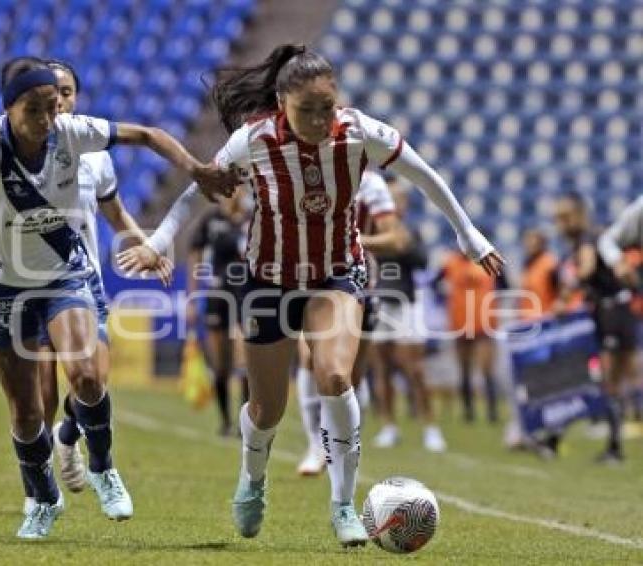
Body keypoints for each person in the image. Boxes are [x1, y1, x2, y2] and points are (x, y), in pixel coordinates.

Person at [122, 44, 502, 547]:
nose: (321, 119)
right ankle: (252, 480)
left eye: (328, 106)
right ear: (282, 103)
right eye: (308, 110)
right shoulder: (253, 140)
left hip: (336, 274)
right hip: (268, 280)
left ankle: (343, 503)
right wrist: (158, 241)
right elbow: (200, 189)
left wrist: (469, 235)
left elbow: (426, 177)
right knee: (267, 409)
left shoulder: (361, 132)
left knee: (336, 375)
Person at [0, 56, 235, 539]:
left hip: (66, 275)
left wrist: (196, 169)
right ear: (9, 109)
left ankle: (101, 467)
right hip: (5, 285)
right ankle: (42, 498)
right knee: (26, 409)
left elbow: (146, 135)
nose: (46, 118)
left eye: (53, 106)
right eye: (34, 110)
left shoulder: (74, 133)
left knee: (86, 375)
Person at [0, 59, 172, 515]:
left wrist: (147, 246)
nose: (63, 102)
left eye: (68, 92)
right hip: (19, 284)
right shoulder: (5, 148)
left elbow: (114, 213)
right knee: (39, 405)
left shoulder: (91, 150)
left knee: (91, 378)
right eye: (55, 94)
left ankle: (78, 445)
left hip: (78, 281)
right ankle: (43, 490)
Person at [295, 168, 408, 475]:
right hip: (310, 279)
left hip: (359, 282)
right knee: (307, 358)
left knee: (347, 377)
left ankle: (343, 448)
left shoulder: (370, 184)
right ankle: (315, 446)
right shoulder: (306, 174)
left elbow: (395, 239)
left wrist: (355, 239)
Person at [555, 191, 636, 463]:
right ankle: (614, 444)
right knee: (614, 381)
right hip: (617, 310)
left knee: (609, 380)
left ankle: (614, 448)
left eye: (565, 217)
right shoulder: (589, 239)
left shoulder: (588, 238)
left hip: (612, 311)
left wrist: (566, 293)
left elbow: (587, 269)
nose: (561, 224)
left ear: (579, 215)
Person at [368, 178, 446, 452]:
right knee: (382, 368)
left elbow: (422, 261)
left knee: (415, 369)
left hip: (406, 303)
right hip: (379, 302)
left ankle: (430, 427)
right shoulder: (370, 229)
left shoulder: (410, 230)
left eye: (398, 199)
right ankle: (389, 426)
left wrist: (403, 244)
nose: (394, 204)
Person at [187, 189, 251, 436]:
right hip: (217, 295)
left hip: (245, 294)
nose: (236, 192)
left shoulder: (250, 218)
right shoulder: (211, 219)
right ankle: (225, 422)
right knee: (221, 364)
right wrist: (192, 297)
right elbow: (195, 252)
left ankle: (247, 423)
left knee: (244, 358)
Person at [435, 246, 507, 423]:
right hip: (460, 322)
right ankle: (469, 412)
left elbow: (505, 285)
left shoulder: (489, 261)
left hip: (484, 323)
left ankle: (492, 412)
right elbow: (434, 283)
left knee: (486, 370)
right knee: (464, 370)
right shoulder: (450, 263)